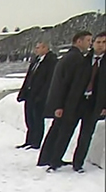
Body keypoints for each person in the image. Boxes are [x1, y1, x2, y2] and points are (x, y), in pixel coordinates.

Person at [38, 31, 94, 171]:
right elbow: (66, 84)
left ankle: (48, 158)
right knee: (61, 132)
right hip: (67, 103)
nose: (90, 44)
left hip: (62, 102)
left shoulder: (69, 57)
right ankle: (52, 159)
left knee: (56, 131)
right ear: (79, 41)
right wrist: (61, 105)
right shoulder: (76, 59)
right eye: (88, 40)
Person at [69, 32, 106, 173]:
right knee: (67, 130)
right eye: (98, 42)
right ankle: (55, 160)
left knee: (86, 134)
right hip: (78, 101)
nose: (101, 45)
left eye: (104, 42)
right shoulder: (84, 59)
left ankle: (78, 163)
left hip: (95, 104)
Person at [16, 42, 58, 149]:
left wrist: (41, 95)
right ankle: (29, 140)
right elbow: (29, 77)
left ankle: (36, 142)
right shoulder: (36, 61)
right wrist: (23, 92)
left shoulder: (51, 62)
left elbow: (49, 81)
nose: (36, 50)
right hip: (30, 94)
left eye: (38, 48)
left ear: (45, 48)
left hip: (39, 96)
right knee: (29, 118)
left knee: (37, 119)